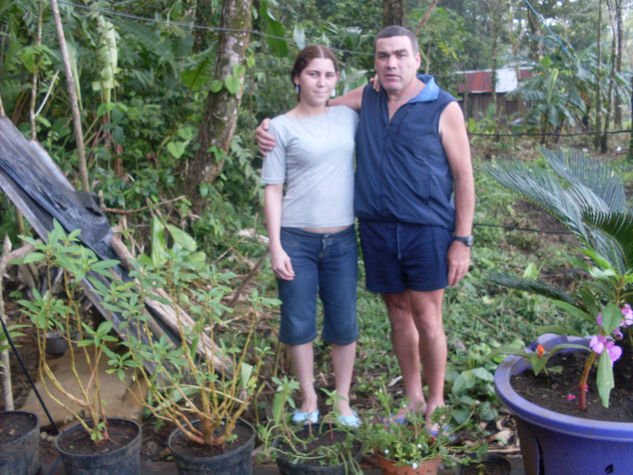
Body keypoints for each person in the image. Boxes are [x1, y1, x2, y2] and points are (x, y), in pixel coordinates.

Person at [257, 26, 475, 429]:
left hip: (426, 229)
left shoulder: (444, 107)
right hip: (376, 228)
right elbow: (319, 105)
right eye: (382, 56)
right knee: (397, 311)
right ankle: (411, 398)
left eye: (399, 54)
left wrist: (461, 239)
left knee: (428, 317)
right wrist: (270, 128)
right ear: (374, 63)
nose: (391, 63)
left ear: (417, 59)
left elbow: (464, 177)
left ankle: (437, 402)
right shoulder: (368, 98)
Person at [261, 45, 361, 427]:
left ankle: (342, 400)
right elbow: (273, 188)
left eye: (329, 74)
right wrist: (276, 246)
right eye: (313, 74)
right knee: (298, 321)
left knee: (343, 322)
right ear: (296, 78)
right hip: (296, 240)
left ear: (337, 79)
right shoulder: (279, 128)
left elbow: (381, 91)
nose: (321, 81)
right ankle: (307, 397)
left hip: (341, 241)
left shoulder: (347, 117)